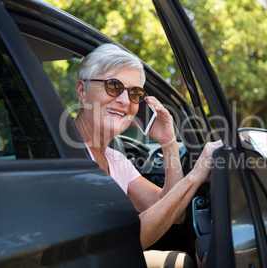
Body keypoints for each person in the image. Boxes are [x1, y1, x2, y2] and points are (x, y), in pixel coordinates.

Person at [74, 43, 222, 267]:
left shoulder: (115, 160)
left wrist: (168, 142)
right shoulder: (66, 156)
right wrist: (196, 174)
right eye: (113, 86)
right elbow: (121, 242)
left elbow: (174, 212)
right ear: (82, 91)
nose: (124, 100)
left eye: (134, 93)